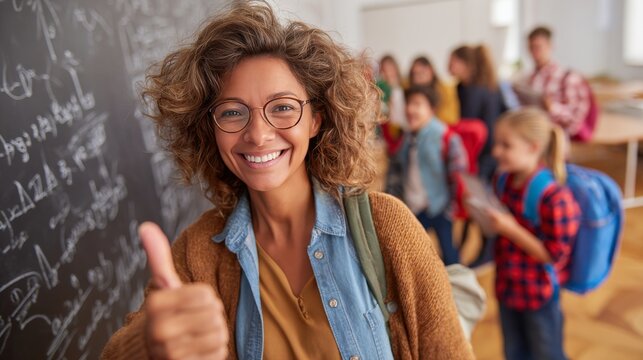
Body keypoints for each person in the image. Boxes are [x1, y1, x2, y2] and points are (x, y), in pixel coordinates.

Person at [100, 2, 473, 359]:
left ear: (316, 119)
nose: (258, 134)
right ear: (209, 129)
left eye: (282, 107)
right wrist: (147, 343)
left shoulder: (388, 227)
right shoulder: (197, 255)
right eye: (232, 112)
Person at [486, 107, 580, 360]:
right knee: (514, 352)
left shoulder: (555, 198)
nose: (496, 152)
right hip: (508, 288)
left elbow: (553, 255)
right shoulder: (503, 181)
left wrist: (510, 229)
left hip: (539, 295)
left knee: (547, 353)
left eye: (506, 145)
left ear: (533, 147)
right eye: (497, 144)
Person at [399, 85, 468, 266]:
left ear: (432, 109)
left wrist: (451, 207)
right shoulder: (408, 136)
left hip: (439, 205)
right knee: (413, 253)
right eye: (408, 104)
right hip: (414, 205)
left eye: (417, 104)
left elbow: (459, 174)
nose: (410, 109)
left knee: (449, 252)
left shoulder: (444, 136)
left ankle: (455, 288)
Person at [449, 44, 504, 267]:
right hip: (475, 155)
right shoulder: (463, 87)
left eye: (453, 61)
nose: (449, 66)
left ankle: (487, 252)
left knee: (481, 205)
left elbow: (479, 129)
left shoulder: (480, 90)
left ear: (466, 64)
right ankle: (467, 253)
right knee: (473, 205)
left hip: (484, 156)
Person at [514, 26, 591, 138]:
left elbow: (575, 120)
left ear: (550, 46)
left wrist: (552, 107)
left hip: (555, 137)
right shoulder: (527, 79)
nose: (534, 52)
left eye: (538, 47)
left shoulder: (568, 78)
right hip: (530, 134)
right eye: (531, 48)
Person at [409, 56, 460, 125]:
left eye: (422, 73)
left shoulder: (445, 90)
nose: (418, 79)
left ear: (431, 71)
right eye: (414, 74)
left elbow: (450, 118)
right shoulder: (409, 90)